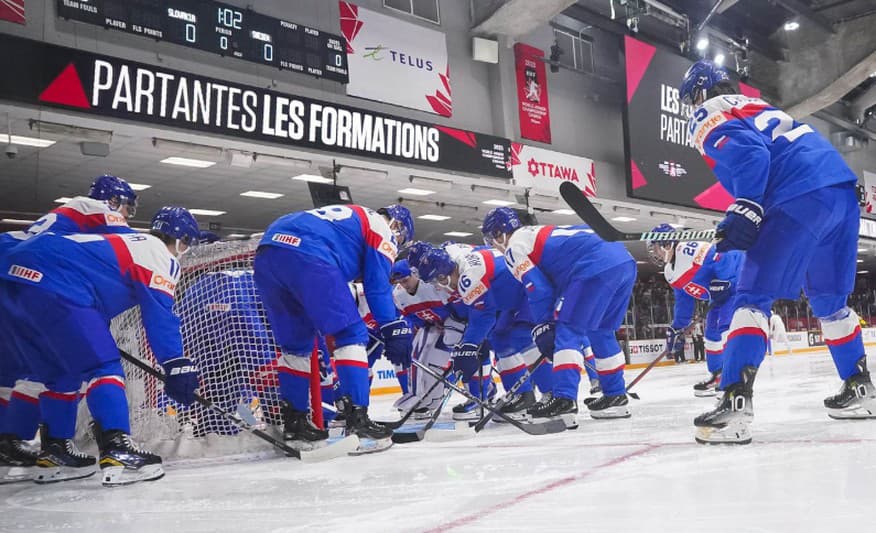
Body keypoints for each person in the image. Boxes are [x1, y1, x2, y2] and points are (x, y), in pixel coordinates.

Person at [683, 59, 874, 445]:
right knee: (830, 302)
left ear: (699, 95)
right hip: (841, 195)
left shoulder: (710, 111)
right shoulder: (763, 107)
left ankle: (735, 404)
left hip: (797, 196)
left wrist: (748, 205)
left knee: (752, 298)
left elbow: (752, 155)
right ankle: (860, 390)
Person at [0, 206, 200, 486]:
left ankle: (55, 451)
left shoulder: (124, 242)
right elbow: (159, 314)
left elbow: (94, 288)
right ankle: (117, 448)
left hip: (11, 286)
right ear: (182, 241)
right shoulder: (158, 253)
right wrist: (175, 362)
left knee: (60, 375)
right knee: (103, 366)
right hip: (57, 284)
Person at [0, 175, 139, 484]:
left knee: (25, 371)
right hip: (34, 283)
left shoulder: (61, 217)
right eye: (126, 207)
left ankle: (9, 443)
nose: (126, 215)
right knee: (70, 367)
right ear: (114, 201)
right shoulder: (94, 208)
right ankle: (59, 445)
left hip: (11, 282)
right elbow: (130, 247)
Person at [253, 204, 414, 452]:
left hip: (266, 255)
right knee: (350, 335)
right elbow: (377, 285)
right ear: (398, 227)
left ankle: (295, 424)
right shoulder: (382, 228)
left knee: (296, 346)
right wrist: (391, 326)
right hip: (309, 255)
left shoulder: (349, 218)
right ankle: (357, 419)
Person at [482, 207, 637, 421]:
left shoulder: (514, 246)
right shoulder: (539, 233)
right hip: (624, 261)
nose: (494, 247)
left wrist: (544, 324)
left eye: (492, 240)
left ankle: (564, 400)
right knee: (601, 332)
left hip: (594, 265)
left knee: (567, 329)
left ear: (500, 233)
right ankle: (615, 396)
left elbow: (538, 288)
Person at [408, 243, 554, 423]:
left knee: (520, 337)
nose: (439, 287)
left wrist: (469, 345)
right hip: (513, 295)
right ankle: (522, 396)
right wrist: (470, 344)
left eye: (438, 282)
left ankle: (551, 395)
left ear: (442, 274)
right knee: (500, 339)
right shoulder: (457, 262)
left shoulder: (468, 276)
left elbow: (483, 316)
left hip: (529, 290)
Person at [647, 224, 743, 396]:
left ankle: (734, 380)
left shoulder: (690, 250)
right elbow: (684, 300)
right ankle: (717, 376)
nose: (655, 254)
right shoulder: (670, 271)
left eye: (655, 248)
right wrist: (677, 327)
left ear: (667, 244)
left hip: (736, 285)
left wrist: (725, 280)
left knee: (726, 330)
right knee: (711, 335)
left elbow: (722, 255)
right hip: (719, 295)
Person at [391, 259, 467, 419]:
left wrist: (450, 321)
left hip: (454, 323)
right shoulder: (398, 295)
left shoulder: (432, 285)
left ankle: (483, 391)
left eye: (405, 280)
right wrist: (428, 323)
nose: (404, 285)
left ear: (414, 274)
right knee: (420, 356)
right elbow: (411, 317)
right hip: (432, 326)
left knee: (459, 350)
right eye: (400, 282)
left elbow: (457, 305)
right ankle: (430, 399)